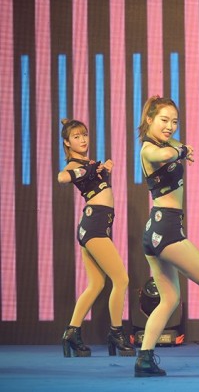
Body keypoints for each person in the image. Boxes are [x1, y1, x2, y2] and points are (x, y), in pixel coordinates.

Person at [134, 96, 199, 377]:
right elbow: (164, 155)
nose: (170, 126)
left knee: (169, 299)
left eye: (175, 121)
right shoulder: (149, 149)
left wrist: (184, 148)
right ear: (149, 120)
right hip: (165, 229)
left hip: (157, 229)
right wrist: (181, 150)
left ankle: (144, 359)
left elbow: (176, 148)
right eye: (164, 120)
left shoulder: (168, 144)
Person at [58, 119, 135, 358]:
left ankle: (72, 332)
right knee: (121, 280)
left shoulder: (89, 163)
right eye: (76, 137)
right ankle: (116, 333)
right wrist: (89, 170)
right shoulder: (76, 164)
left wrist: (103, 171)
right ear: (67, 143)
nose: (83, 140)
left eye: (85, 135)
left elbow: (98, 188)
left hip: (95, 225)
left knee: (96, 284)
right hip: (94, 226)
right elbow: (62, 177)